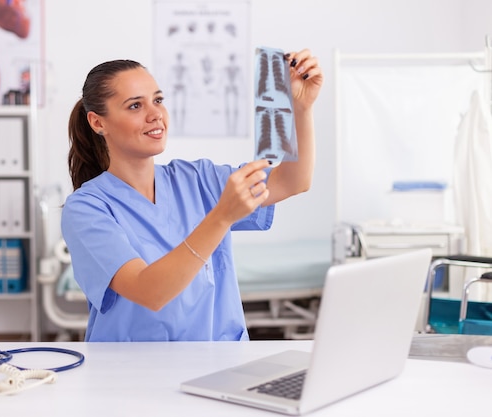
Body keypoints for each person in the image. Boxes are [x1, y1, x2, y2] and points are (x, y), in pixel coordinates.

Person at [62, 50, 323, 342]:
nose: (155, 114)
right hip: (132, 372)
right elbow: (150, 291)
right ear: (98, 123)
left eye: (158, 100)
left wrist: (301, 108)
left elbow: (292, 181)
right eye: (135, 105)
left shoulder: (198, 179)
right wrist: (222, 216)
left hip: (220, 364)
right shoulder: (86, 208)